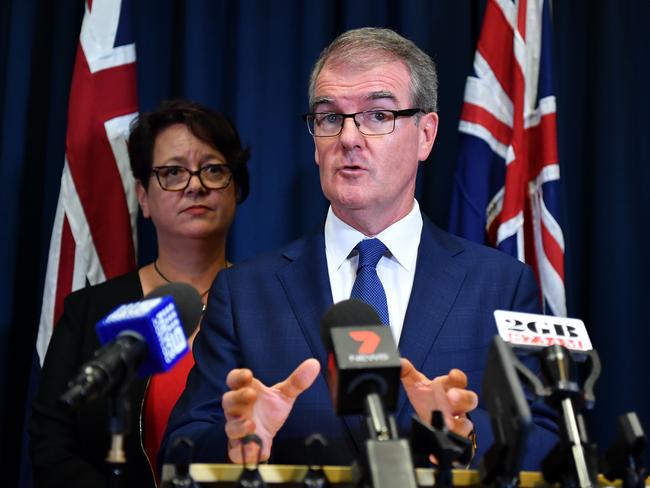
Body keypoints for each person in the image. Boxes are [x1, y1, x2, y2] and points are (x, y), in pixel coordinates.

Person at [162, 28, 557, 470]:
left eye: (377, 115)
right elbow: (180, 450)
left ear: (426, 134)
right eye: (330, 118)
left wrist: (467, 433)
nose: (348, 138)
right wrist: (236, 443)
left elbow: (545, 442)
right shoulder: (244, 293)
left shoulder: (501, 285)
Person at [29, 99, 250, 488]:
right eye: (173, 172)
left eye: (213, 170)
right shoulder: (90, 312)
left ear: (236, 189)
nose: (195, 185)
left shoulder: (271, 303)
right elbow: (52, 446)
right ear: (143, 197)